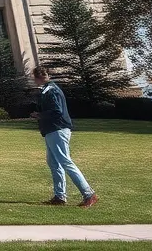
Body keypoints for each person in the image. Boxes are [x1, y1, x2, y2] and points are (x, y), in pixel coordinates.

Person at [31, 66, 98, 208]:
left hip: (57, 129)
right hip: (53, 130)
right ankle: (60, 196)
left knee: (65, 161)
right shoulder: (49, 89)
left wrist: (40, 115)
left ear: (38, 78)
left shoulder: (51, 90)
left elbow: (57, 111)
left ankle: (88, 194)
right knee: (53, 162)